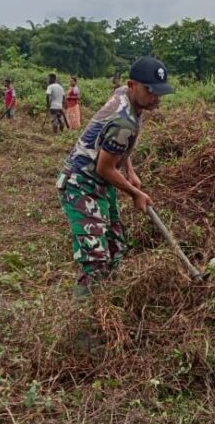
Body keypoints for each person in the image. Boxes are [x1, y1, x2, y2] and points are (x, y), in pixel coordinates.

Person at [56, 56, 175, 319]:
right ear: (132, 85)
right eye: (150, 91)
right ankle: (83, 325)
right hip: (81, 183)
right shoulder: (124, 121)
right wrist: (135, 194)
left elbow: (118, 149)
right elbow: (104, 168)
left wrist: (130, 169)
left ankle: (107, 306)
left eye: (160, 92)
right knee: (95, 259)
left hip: (100, 182)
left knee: (115, 246)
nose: (157, 98)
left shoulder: (126, 96)